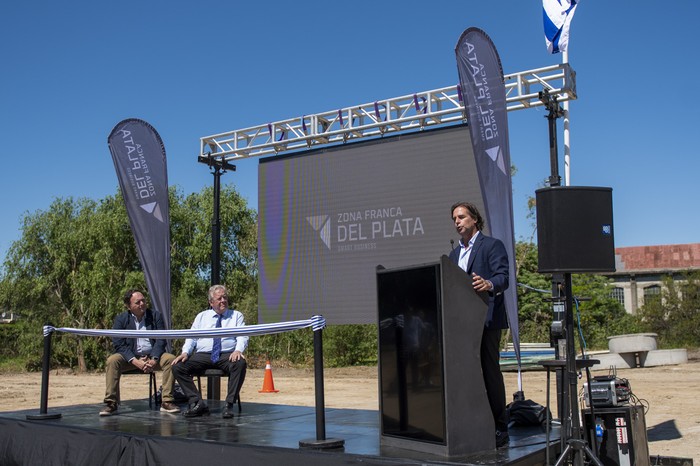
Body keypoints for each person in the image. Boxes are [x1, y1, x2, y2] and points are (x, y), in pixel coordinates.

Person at [448, 201, 510, 448]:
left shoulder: (492, 245)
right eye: (454, 218)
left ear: (475, 219)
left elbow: (503, 277)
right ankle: (471, 423)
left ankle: (499, 427)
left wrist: (489, 284)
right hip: (461, 324)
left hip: (486, 319)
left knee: (489, 373)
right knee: (466, 376)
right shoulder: (454, 254)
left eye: (461, 217)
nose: (457, 222)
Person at [172, 284, 248, 419]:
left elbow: (243, 336)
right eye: (219, 298)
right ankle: (197, 403)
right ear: (211, 302)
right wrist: (185, 353)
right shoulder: (201, 317)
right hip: (203, 355)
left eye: (225, 297)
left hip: (227, 354)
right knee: (178, 366)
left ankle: (229, 404)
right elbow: (191, 337)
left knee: (240, 363)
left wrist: (238, 350)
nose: (223, 300)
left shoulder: (236, 315)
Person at [100, 289, 180, 416]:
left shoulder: (155, 316)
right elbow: (119, 344)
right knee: (112, 360)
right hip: (131, 358)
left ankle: (167, 401)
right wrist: (135, 361)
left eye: (143, 300)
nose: (142, 304)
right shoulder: (121, 319)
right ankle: (111, 403)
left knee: (171, 359)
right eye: (138, 302)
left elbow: (161, 339)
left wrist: (154, 359)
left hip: (153, 356)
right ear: (129, 306)